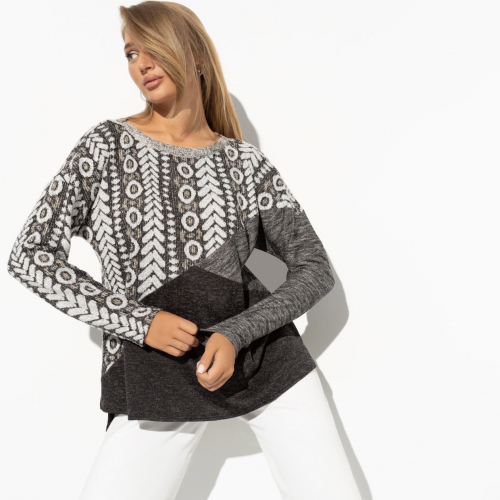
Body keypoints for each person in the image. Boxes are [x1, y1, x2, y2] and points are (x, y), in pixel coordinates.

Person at [6, 2, 362, 499]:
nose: (142, 63)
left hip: (265, 359)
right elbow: (30, 255)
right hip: (154, 365)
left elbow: (314, 269)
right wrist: (140, 322)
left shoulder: (244, 164)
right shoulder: (106, 146)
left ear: (194, 54)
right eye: (131, 53)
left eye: (153, 47)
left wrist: (235, 333)